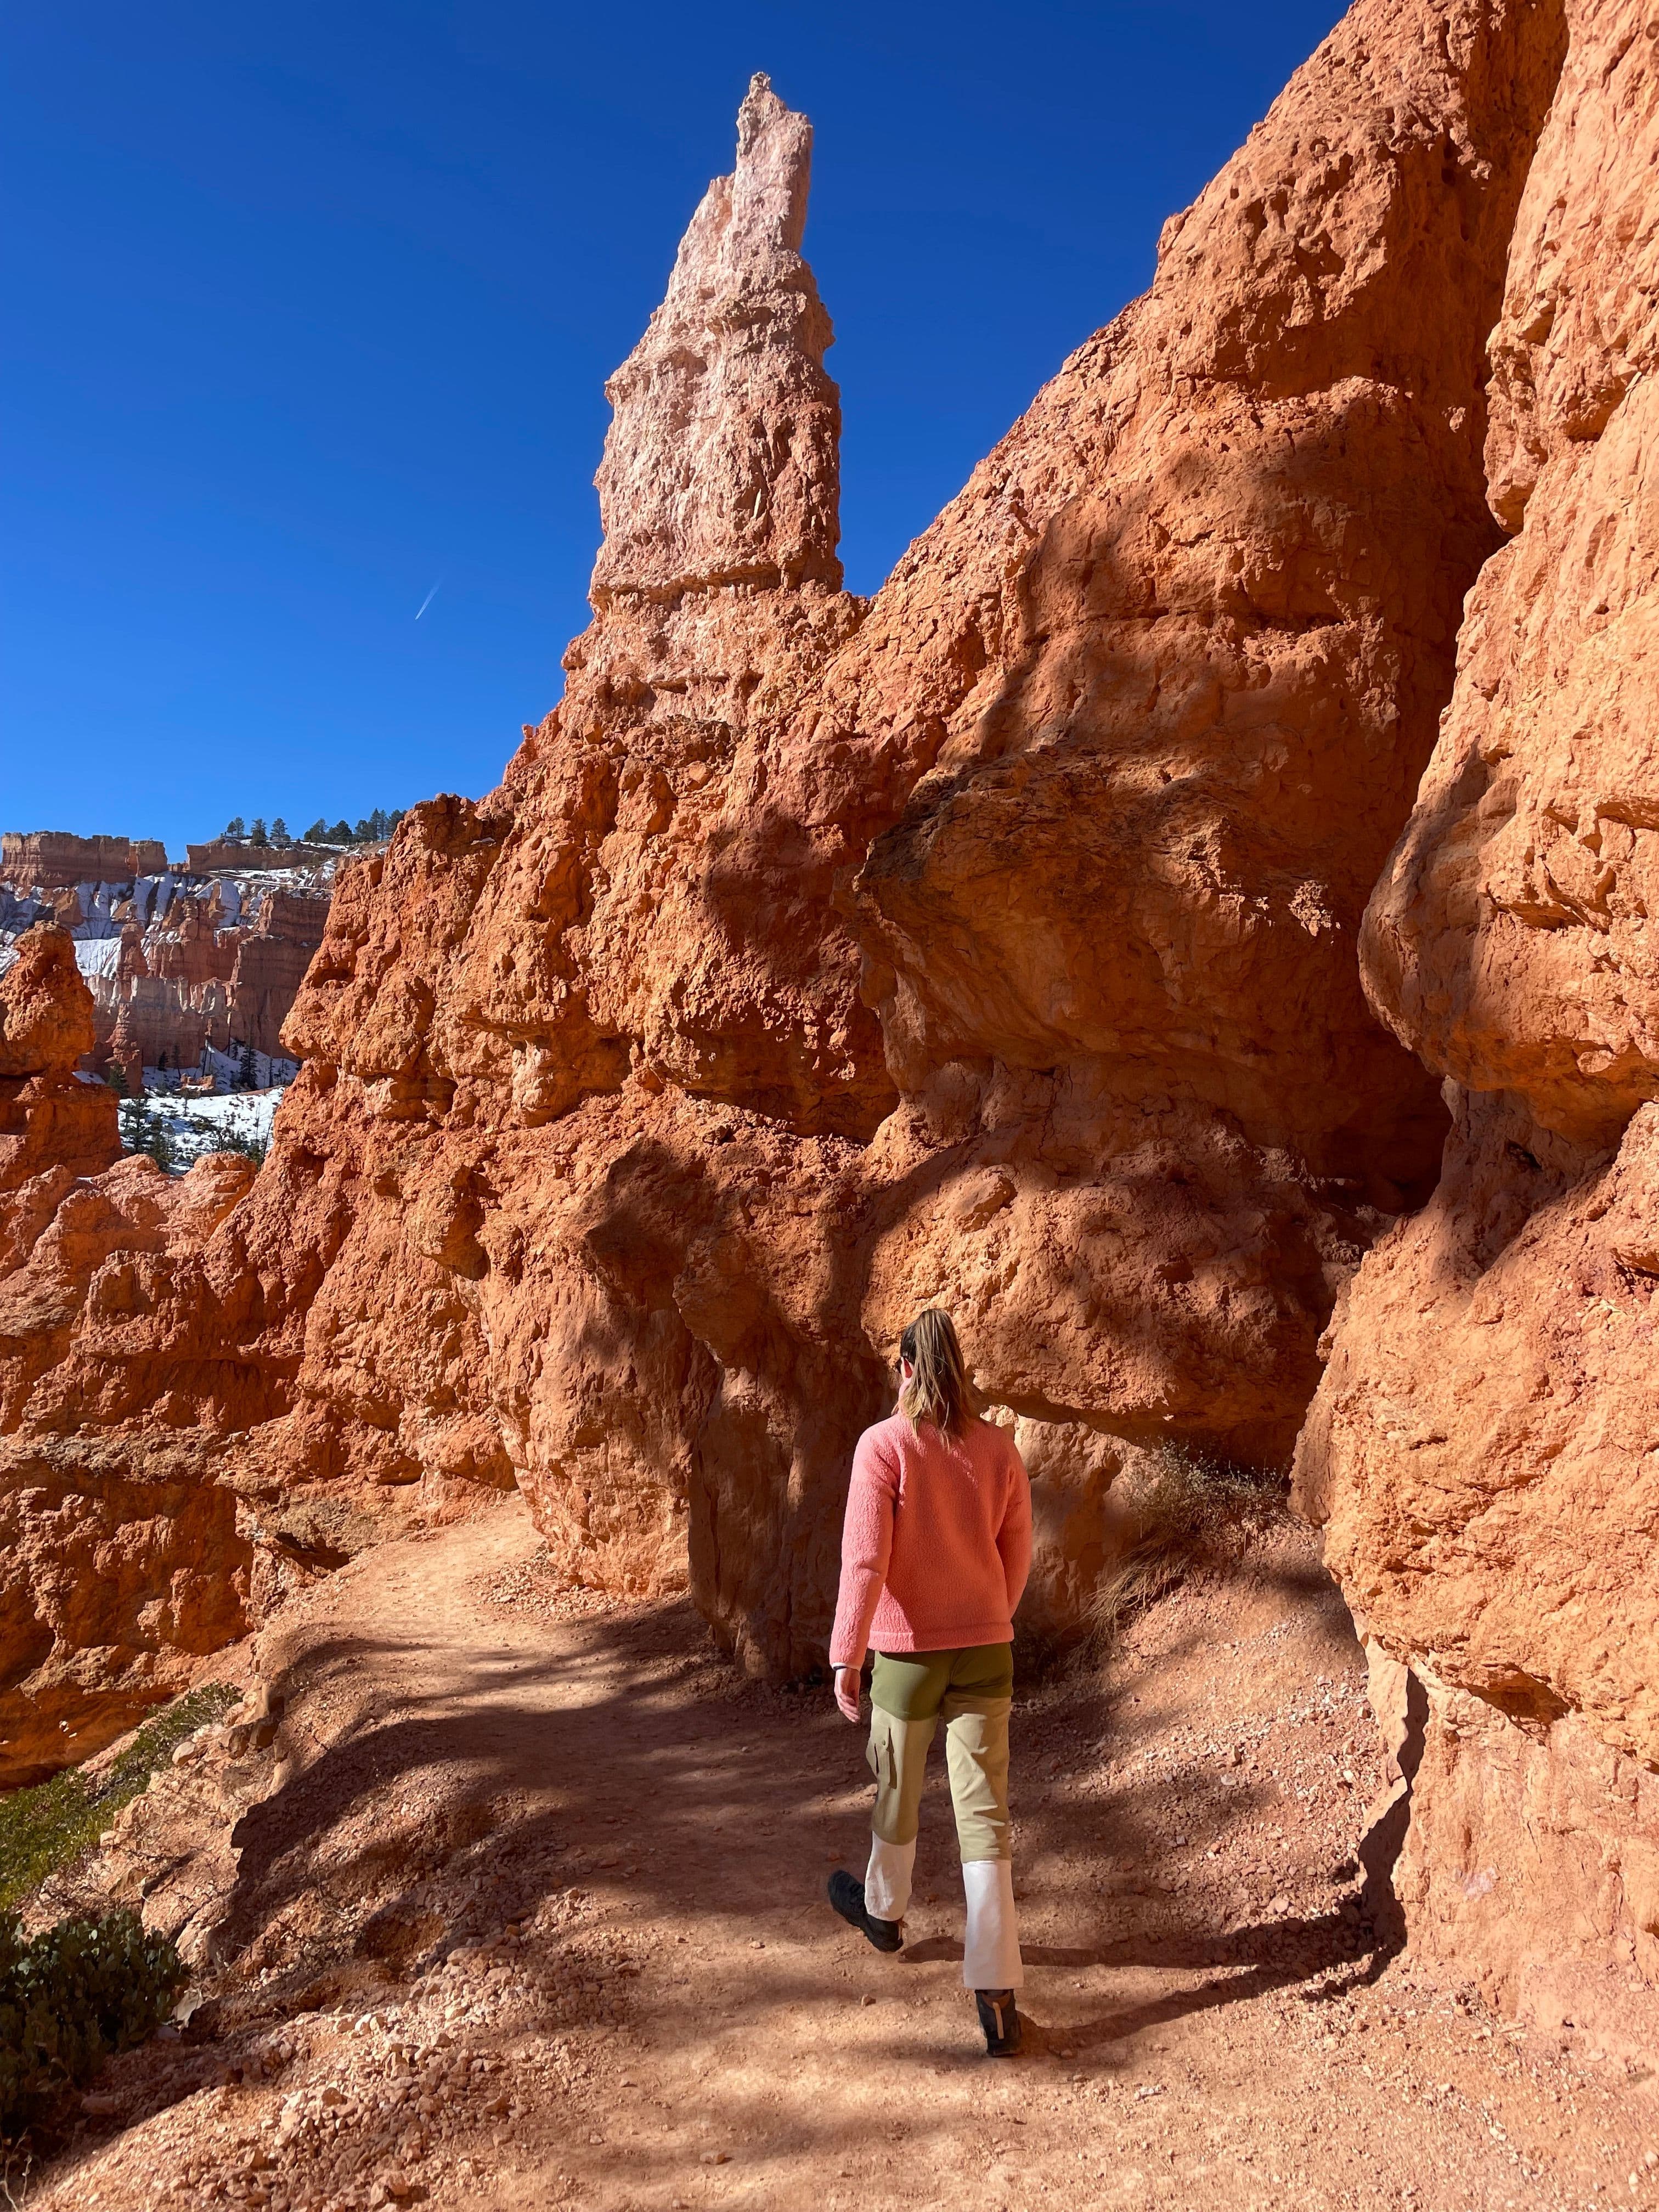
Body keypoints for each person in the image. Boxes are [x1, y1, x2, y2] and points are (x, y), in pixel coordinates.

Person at [825, 1307, 1033, 2056]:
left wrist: (846, 1654)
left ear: (907, 1368)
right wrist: (988, 1618)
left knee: (896, 1788)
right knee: (985, 1813)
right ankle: (997, 1985)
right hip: (986, 1649)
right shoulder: (1000, 1449)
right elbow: (1018, 1551)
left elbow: (866, 1563)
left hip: (906, 1656)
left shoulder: (883, 1447)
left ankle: (884, 1912)